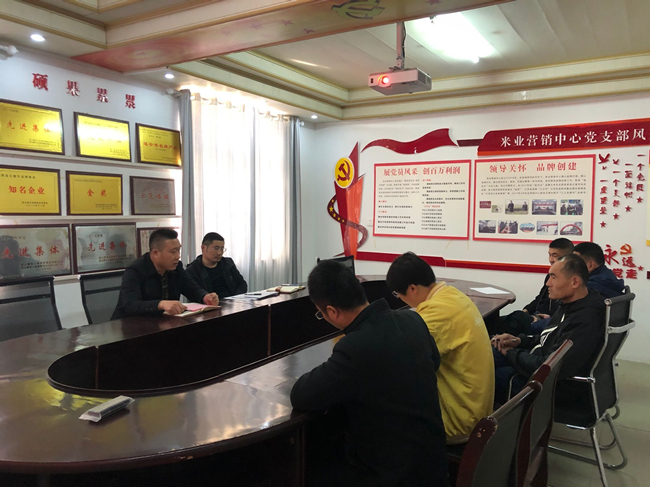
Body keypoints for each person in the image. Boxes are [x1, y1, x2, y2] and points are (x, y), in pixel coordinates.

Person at [290, 261, 448, 487]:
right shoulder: (413, 320)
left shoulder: (354, 347)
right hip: (434, 465)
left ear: (332, 311)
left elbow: (301, 395)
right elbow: (435, 362)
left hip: (391, 476)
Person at [386, 252, 494, 444]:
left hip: (459, 421)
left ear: (412, 288)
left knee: (382, 409)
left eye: (398, 295)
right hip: (477, 408)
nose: (400, 300)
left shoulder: (436, 313)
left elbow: (397, 355)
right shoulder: (452, 296)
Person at [491, 254, 606, 405]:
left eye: (553, 277)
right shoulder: (572, 304)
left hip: (551, 385)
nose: (548, 283)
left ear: (575, 282)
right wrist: (518, 341)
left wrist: (511, 353)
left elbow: (550, 366)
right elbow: (551, 336)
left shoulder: (585, 318)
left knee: (486, 374)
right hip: (539, 360)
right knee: (487, 353)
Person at [111, 229, 218, 319]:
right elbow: (130, 305)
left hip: (161, 324)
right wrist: (160, 304)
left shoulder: (177, 267)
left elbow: (191, 288)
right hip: (129, 327)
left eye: (179, 250)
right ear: (156, 253)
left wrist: (205, 296)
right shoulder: (135, 271)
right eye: (173, 251)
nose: (178, 256)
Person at [496, 238, 574, 335]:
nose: (551, 259)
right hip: (536, 316)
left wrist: (547, 317)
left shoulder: (568, 281)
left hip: (546, 322)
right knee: (507, 318)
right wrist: (526, 310)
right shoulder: (550, 275)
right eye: (549, 255)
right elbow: (540, 298)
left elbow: (562, 311)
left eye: (555, 256)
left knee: (510, 321)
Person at [186, 232, 247, 298]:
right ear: (203, 248)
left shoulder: (228, 263)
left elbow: (242, 284)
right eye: (216, 248)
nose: (219, 253)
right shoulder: (193, 270)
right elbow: (195, 293)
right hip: (210, 303)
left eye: (222, 249)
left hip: (232, 301)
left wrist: (235, 298)